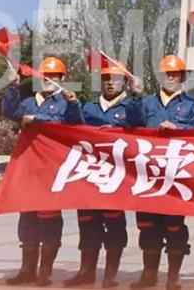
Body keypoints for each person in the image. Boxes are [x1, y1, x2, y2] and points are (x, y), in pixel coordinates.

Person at [2, 57, 82, 287]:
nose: (48, 80)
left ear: (62, 79)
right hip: (28, 166)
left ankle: (45, 271)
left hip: (51, 167)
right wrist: (13, 86)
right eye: (44, 76)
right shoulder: (29, 102)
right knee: (27, 219)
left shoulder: (66, 102)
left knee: (49, 219)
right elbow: (9, 111)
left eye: (53, 76)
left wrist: (39, 119)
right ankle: (27, 270)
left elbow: (74, 125)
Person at [64, 65, 145, 288]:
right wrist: (73, 105)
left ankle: (110, 274)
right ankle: (86, 272)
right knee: (87, 223)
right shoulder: (89, 107)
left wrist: (136, 98)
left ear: (125, 83)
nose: (110, 83)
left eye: (116, 79)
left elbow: (139, 125)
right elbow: (74, 126)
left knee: (114, 225)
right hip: (90, 175)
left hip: (117, 176)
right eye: (106, 78)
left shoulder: (131, 106)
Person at [133, 54, 194, 290]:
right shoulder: (146, 103)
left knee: (175, 228)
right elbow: (129, 124)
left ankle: (173, 276)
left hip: (177, 177)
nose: (171, 78)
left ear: (182, 77)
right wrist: (136, 97)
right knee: (147, 226)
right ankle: (149, 274)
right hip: (148, 176)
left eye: (175, 74)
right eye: (166, 74)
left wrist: (179, 128)